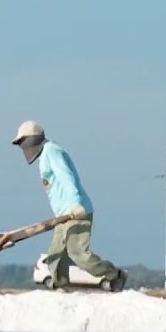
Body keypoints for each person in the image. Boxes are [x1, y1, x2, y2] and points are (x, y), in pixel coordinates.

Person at [11, 120, 127, 292]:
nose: (22, 146)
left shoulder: (52, 151)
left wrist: (76, 204)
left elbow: (67, 177)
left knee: (78, 254)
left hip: (76, 211)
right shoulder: (45, 156)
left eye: (23, 141)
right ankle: (60, 287)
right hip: (63, 216)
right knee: (55, 255)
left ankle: (115, 275)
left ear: (32, 139)